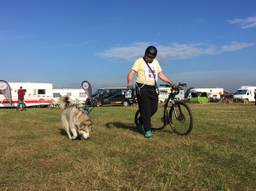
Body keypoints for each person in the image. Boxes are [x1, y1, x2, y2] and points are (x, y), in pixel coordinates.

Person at [127, 46, 175, 138]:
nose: (148, 58)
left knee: (154, 109)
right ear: (145, 54)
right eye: (147, 56)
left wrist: (170, 82)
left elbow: (160, 74)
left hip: (153, 88)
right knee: (145, 110)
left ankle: (140, 121)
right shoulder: (139, 61)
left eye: (150, 57)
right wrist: (129, 82)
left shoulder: (156, 62)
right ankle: (148, 130)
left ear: (154, 57)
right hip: (142, 88)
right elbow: (131, 73)